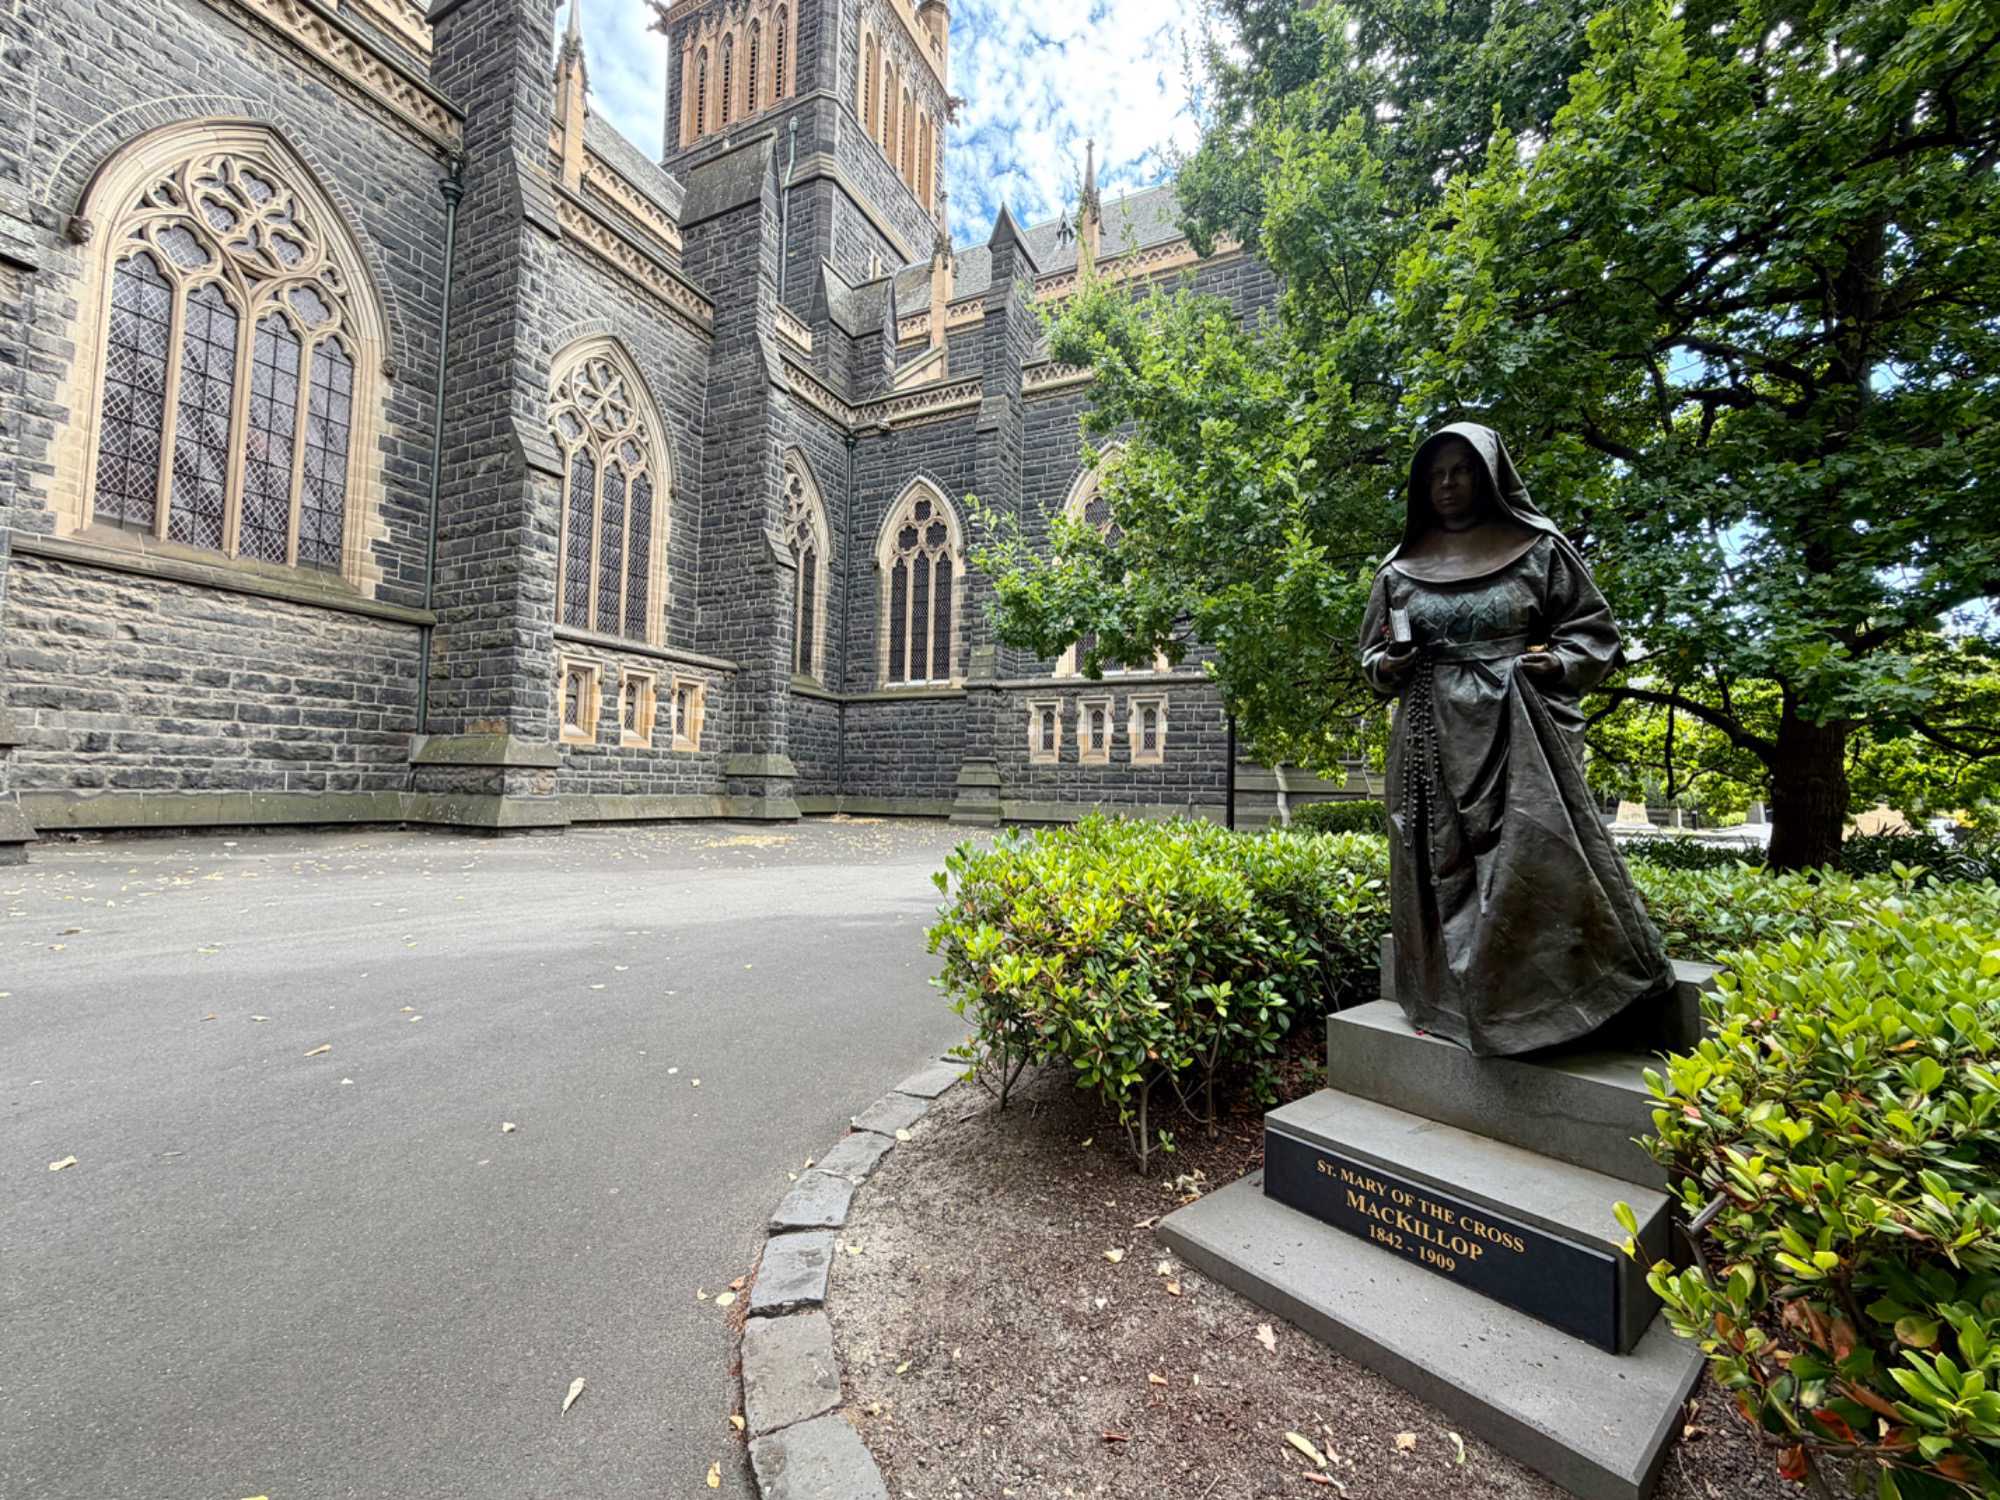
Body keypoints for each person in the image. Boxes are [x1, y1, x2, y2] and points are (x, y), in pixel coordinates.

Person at [1358, 422, 1673, 1056]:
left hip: (1518, 726)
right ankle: (1451, 1000)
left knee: (1534, 857)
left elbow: (1593, 632)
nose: (1447, 484)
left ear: (1488, 476)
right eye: (1435, 474)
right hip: (1429, 733)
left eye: (1461, 470)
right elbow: (1371, 656)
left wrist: (1558, 662)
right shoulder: (1398, 570)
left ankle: (1550, 1006)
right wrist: (1388, 664)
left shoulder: (1539, 549)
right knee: (1441, 863)